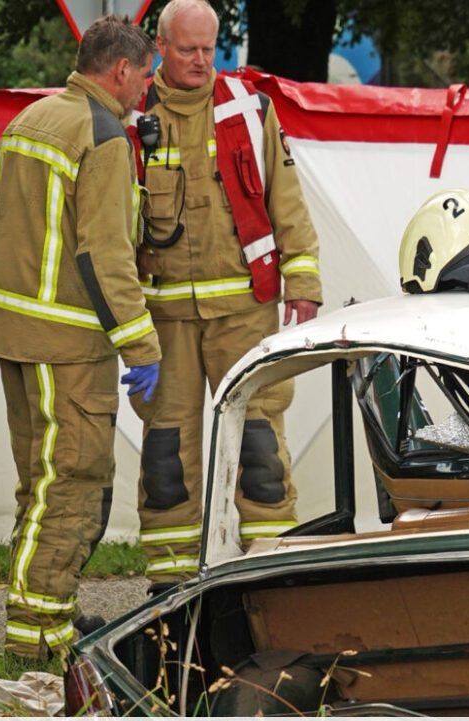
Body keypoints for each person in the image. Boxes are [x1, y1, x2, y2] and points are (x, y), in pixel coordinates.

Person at [0, 16, 161, 661]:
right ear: (120, 70)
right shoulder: (104, 134)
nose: (147, 87)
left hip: (16, 335)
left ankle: (43, 610)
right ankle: (39, 635)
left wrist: (19, 311)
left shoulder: (28, 121)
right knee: (75, 481)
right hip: (70, 348)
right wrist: (142, 349)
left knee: (39, 481)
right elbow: (106, 256)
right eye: (145, 75)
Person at [133, 0, 322, 584]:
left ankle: (268, 575)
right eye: (186, 49)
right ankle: (170, 585)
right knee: (168, 455)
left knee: (261, 447)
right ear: (159, 47)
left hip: (245, 312)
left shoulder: (249, 108)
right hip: (162, 317)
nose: (199, 61)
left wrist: (304, 282)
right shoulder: (131, 113)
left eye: (208, 49)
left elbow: (286, 203)